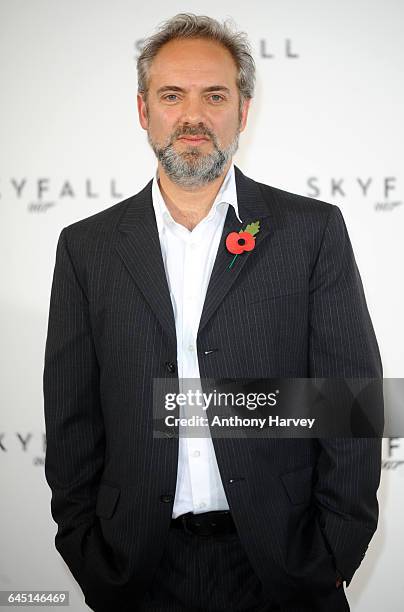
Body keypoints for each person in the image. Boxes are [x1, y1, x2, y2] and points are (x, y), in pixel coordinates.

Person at [43, 13, 383, 612]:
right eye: (172, 96)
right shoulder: (86, 246)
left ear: (243, 112)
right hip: (137, 572)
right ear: (144, 110)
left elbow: (351, 402)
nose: (192, 116)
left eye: (214, 96)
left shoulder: (312, 231)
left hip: (285, 568)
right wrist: (90, 552)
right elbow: (72, 418)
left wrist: (331, 555)